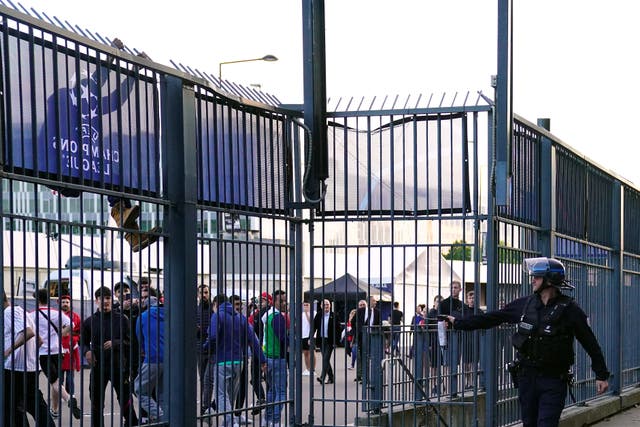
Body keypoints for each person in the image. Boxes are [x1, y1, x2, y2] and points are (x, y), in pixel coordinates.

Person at [447, 257, 610, 426]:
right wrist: (459, 323)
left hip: (553, 380)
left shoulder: (570, 310)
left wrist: (601, 375)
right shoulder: (525, 304)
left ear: (549, 280)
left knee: (546, 423)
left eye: (537, 277)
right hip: (527, 377)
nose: (532, 280)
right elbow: (494, 317)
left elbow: (590, 342)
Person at [37, 38, 160, 252]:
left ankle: (132, 234)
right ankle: (126, 223)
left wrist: (134, 72)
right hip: (57, 167)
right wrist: (111, 55)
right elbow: (94, 84)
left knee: (114, 178)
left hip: (75, 164)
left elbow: (115, 99)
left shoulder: (86, 104)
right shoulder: (62, 97)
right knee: (109, 175)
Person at [205, 294, 266, 427]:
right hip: (239, 361)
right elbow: (253, 340)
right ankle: (228, 421)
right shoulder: (241, 318)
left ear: (215, 304)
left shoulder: (217, 315)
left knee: (221, 394)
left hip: (222, 360)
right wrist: (262, 359)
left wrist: (206, 347)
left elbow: (213, 336)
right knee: (231, 394)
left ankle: (230, 421)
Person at [81, 286, 138, 427]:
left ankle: (131, 423)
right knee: (96, 400)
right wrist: (86, 351)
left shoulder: (122, 319)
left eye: (108, 298)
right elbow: (81, 341)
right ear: (96, 301)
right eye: (102, 299)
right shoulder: (89, 321)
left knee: (124, 398)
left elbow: (131, 342)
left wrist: (116, 343)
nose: (105, 301)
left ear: (112, 300)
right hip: (98, 366)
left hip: (118, 366)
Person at [3, 290, 56, 427]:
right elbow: (39, 340)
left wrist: (8, 351)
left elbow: (29, 333)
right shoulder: (22, 312)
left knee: (13, 407)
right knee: (33, 404)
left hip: (16, 368)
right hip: (29, 367)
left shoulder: (9, 312)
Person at [30, 288, 82, 419]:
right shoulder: (56, 313)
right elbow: (72, 324)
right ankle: (55, 409)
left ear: (37, 300)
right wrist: (61, 333)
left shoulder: (32, 315)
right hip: (58, 352)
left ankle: (69, 398)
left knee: (54, 381)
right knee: (56, 380)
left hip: (43, 353)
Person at [134, 296, 165, 422]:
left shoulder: (143, 316)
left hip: (152, 358)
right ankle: (166, 419)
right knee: (163, 393)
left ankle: (159, 415)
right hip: (169, 360)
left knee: (140, 390)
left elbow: (139, 338)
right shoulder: (169, 315)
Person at [261, 289, 288, 427]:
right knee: (281, 392)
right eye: (281, 301)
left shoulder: (269, 315)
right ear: (274, 302)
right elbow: (283, 338)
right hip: (278, 358)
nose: (284, 303)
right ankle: (275, 422)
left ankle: (267, 419)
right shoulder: (278, 317)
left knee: (272, 390)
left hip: (268, 357)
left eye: (285, 300)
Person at [313, 299, 342, 385]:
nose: (326, 306)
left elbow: (338, 329)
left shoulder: (334, 315)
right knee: (326, 359)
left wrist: (336, 341)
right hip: (321, 340)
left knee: (325, 359)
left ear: (330, 306)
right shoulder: (318, 315)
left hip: (330, 341)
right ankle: (331, 377)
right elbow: (314, 327)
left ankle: (322, 377)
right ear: (321, 306)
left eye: (327, 304)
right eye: (324, 305)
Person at [196, 284, 215, 415]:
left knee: (209, 379)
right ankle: (205, 405)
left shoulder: (213, 311)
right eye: (202, 293)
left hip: (213, 349)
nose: (204, 295)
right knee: (203, 379)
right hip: (200, 349)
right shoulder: (195, 310)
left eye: (206, 292)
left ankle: (206, 406)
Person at [355, 296, 381, 383]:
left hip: (373, 338)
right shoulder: (360, 311)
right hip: (363, 337)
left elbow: (379, 324)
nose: (375, 302)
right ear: (369, 301)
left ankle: (375, 377)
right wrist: (359, 331)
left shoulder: (377, 312)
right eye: (374, 301)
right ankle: (365, 378)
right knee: (364, 358)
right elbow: (353, 322)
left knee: (373, 358)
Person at [59, 294, 81, 397]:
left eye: (67, 302)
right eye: (63, 302)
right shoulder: (55, 315)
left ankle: (70, 394)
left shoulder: (75, 317)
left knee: (69, 376)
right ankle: (59, 393)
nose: (65, 304)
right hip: (57, 350)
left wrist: (74, 340)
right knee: (58, 376)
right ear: (59, 303)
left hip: (70, 350)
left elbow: (79, 333)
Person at [462, 290, 482, 389]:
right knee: (466, 363)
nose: (472, 300)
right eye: (470, 298)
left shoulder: (479, 311)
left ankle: (473, 382)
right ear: (467, 299)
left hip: (476, 339)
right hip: (465, 339)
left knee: (474, 362)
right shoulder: (463, 311)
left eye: (473, 298)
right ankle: (467, 381)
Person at [301, 301, 315, 376]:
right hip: (303, 335)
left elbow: (312, 323)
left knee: (311, 352)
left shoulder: (313, 313)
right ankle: (307, 368)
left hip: (311, 335)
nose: (306, 306)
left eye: (307, 305)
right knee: (305, 353)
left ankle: (313, 369)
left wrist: (306, 313)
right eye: (304, 305)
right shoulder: (301, 314)